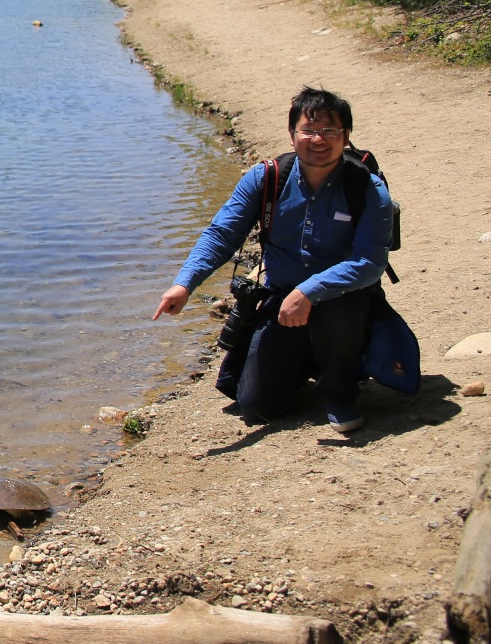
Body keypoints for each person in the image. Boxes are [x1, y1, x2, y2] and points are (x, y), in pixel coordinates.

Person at [153, 87, 395, 434]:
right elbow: (222, 234)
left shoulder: (368, 189)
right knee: (256, 407)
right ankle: (306, 360)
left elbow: (369, 262)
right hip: (282, 300)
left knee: (339, 309)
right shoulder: (267, 178)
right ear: (292, 134)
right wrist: (185, 283)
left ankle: (338, 391)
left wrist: (310, 290)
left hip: (346, 300)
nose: (319, 139)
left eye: (330, 131)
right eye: (308, 130)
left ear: (346, 136)